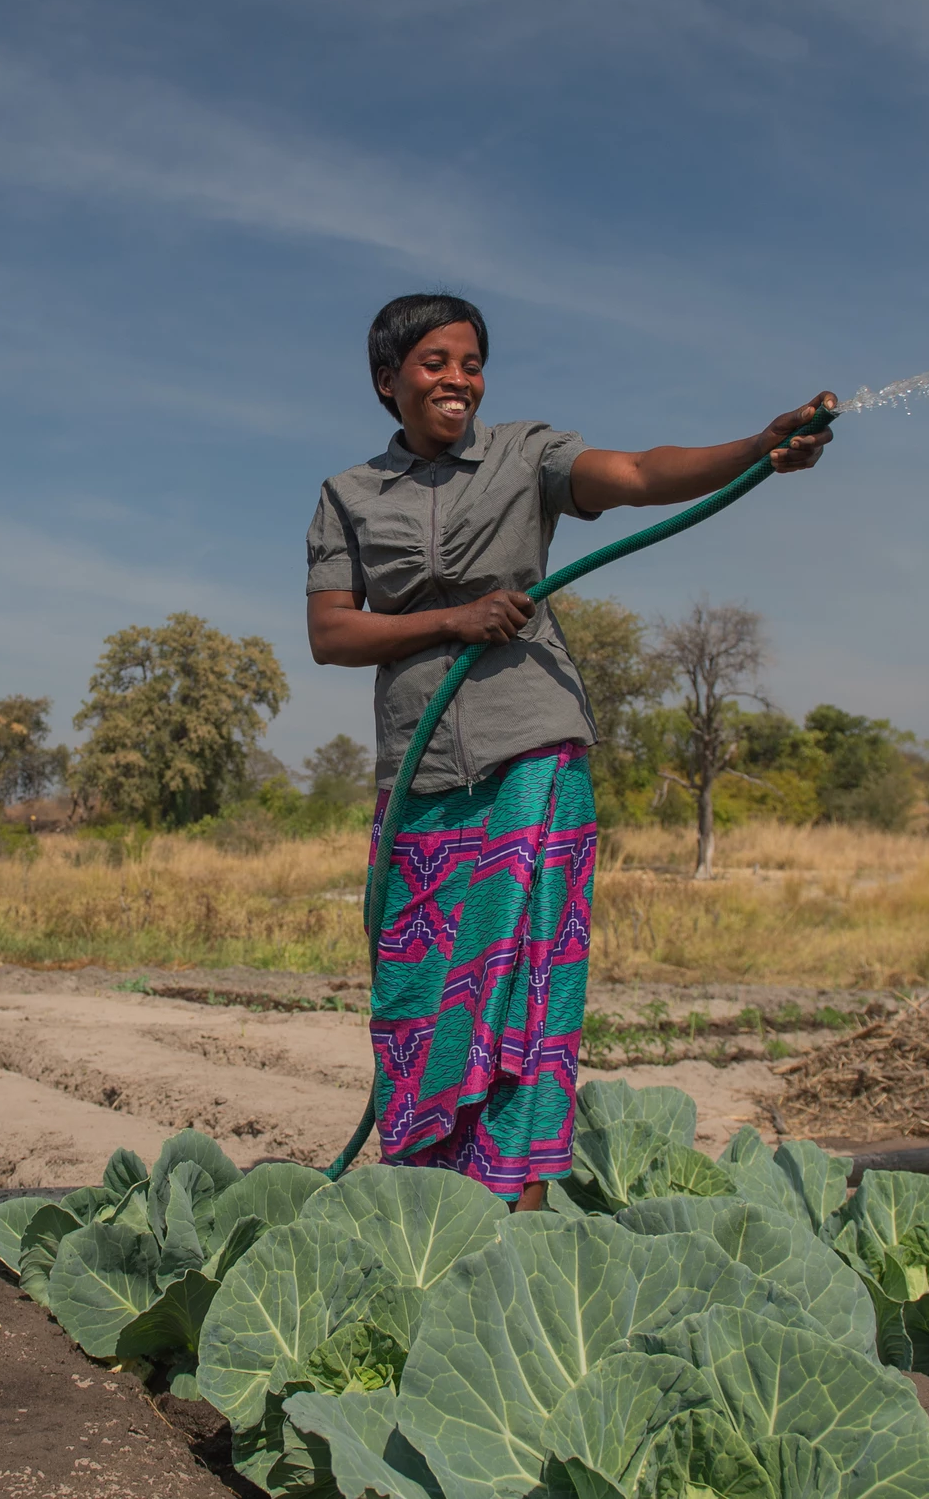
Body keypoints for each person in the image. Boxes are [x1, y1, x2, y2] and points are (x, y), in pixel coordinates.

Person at [304, 293, 833, 1210]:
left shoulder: (525, 455)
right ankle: (426, 1212)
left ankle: (521, 1220)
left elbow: (635, 471)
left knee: (526, 989)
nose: (458, 378)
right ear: (388, 380)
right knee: (419, 987)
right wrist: (452, 620)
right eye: (435, 363)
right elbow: (331, 634)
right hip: (420, 773)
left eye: (471, 361)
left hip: (531, 756)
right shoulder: (348, 496)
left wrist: (755, 448)